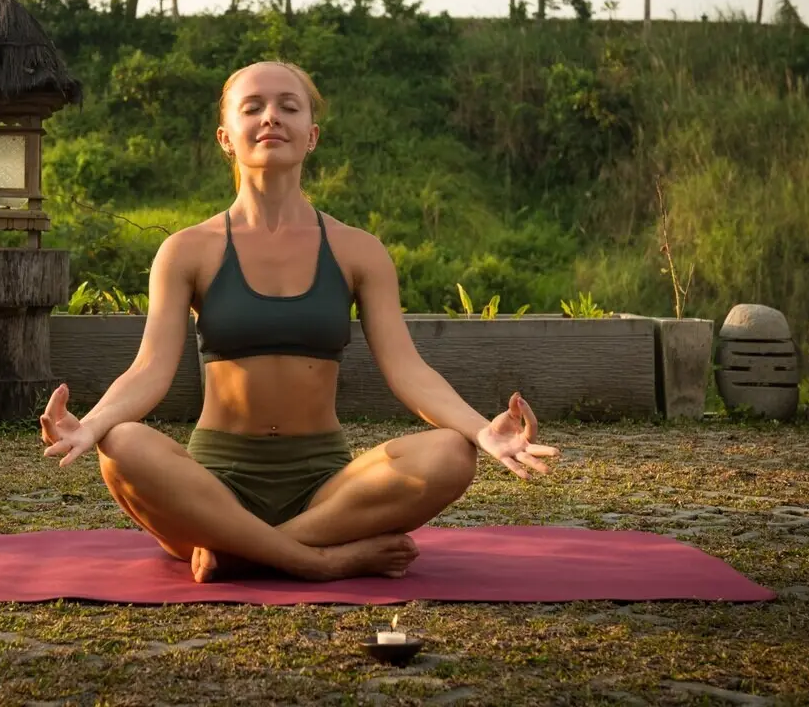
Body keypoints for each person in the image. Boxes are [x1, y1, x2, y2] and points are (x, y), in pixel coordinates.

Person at [40, 61, 559, 583]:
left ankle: (246, 551)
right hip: (212, 486)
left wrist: (480, 431)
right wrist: (94, 424)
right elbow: (150, 369)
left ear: (311, 136)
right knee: (123, 445)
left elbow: (408, 370)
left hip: (326, 487)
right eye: (253, 108)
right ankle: (317, 560)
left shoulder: (359, 250)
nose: (271, 118)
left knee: (451, 454)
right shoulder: (186, 251)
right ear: (226, 137)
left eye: (288, 107)